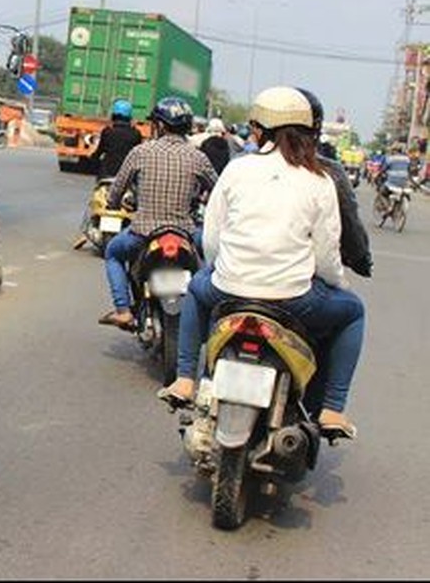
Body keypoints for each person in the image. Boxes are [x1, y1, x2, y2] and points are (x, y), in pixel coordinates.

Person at [159, 87, 365, 441]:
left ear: (258, 130)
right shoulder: (319, 180)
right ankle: (331, 408)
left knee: (194, 288)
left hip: (228, 288)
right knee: (354, 311)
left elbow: (212, 235)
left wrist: (220, 269)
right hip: (294, 299)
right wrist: (338, 284)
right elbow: (326, 255)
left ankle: (184, 379)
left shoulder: (238, 170)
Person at [97, 97, 217, 332]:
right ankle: (211, 315)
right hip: (185, 232)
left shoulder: (141, 152)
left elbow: (116, 190)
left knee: (112, 253)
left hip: (142, 232)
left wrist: (113, 204)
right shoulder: (198, 157)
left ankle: (122, 310)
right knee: (213, 263)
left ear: (160, 126)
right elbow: (220, 190)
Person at [298, 88, 372, 278]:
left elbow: (213, 237)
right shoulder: (327, 175)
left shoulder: (240, 165)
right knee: (353, 307)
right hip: (297, 287)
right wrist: (361, 260)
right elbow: (347, 225)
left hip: (231, 283)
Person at [94, 98, 143, 179]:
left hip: (107, 174)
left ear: (113, 116)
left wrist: (92, 158)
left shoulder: (107, 132)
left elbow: (100, 151)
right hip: (126, 175)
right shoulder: (135, 133)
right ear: (129, 117)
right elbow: (138, 155)